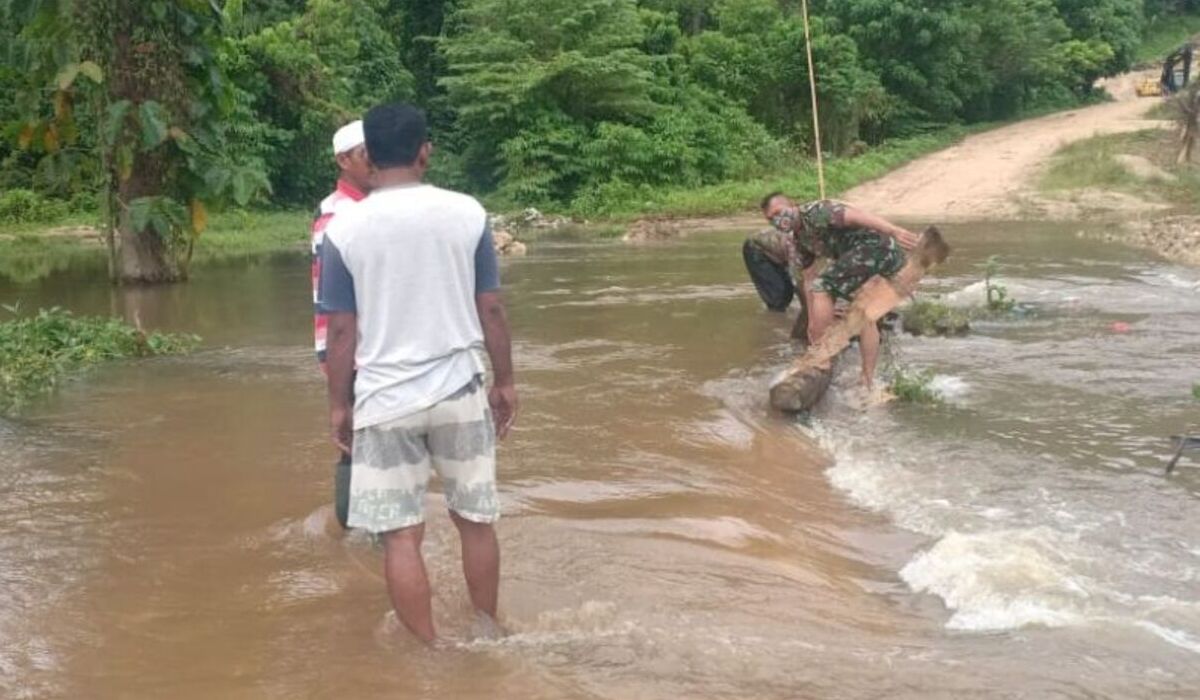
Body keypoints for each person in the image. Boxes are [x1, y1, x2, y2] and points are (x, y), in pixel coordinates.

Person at [318, 102, 517, 643]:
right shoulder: (467, 213)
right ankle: (488, 630)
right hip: (460, 389)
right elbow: (491, 308)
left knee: (401, 536)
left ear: (369, 157)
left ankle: (429, 651)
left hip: (384, 399)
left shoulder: (344, 229)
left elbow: (341, 331)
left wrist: (339, 406)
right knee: (475, 521)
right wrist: (505, 382)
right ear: (425, 151)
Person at [760, 193, 918, 390]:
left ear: (792, 205)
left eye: (778, 212)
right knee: (863, 313)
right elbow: (809, 280)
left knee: (824, 287)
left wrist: (893, 230)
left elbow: (857, 216)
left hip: (875, 247)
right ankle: (867, 380)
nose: (777, 219)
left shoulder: (816, 212)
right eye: (770, 218)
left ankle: (822, 358)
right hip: (865, 257)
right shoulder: (798, 242)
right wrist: (812, 323)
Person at [312, 120, 370, 529]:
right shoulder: (338, 216)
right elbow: (332, 310)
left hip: (368, 350)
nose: (376, 163)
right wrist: (338, 379)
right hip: (356, 353)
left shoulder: (366, 209)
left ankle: (360, 537)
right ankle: (359, 535)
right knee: (357, 446)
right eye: (367, 155)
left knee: (367, 447)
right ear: (343, 160)